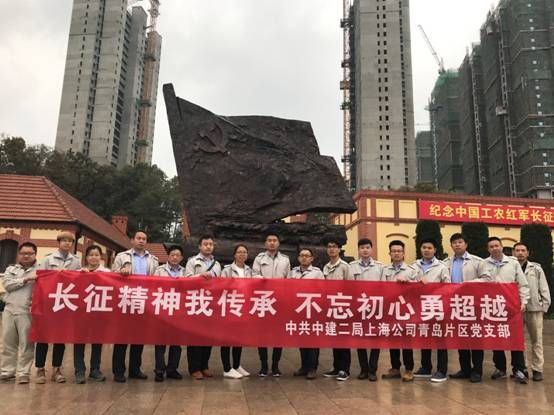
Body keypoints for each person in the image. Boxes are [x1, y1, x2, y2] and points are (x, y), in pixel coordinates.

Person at [443, 233, 491, 383]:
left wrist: (469, 284)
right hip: (455, 305)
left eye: (460, 242)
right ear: (451, 246)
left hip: (473, 305)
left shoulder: (477, 261)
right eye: (454, 242)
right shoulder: (445, 263)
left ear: (466, 244)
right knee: (461, 337)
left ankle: (477, 371)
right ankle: (465, 369)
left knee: (476, 338)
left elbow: (487, 279)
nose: (457, 245)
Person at [111, 230, 159, 383]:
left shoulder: (153, 259)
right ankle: (118, 371)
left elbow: (157, 279)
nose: (141, 241)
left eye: (144, 239)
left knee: (139, 337)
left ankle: (135, 369)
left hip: (143, 301)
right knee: (121, 338)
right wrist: (120, 272)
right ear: (132, 240)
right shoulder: (122, 256)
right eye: (138, 238)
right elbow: (112, 276)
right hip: (125, 300)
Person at [35, 231, 82, 384]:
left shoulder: (76, 261)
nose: (67, 243)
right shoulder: (48, 259)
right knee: (43, 337)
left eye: (70, 241)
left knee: (60, 338)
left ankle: (57, 369)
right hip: (48, 303)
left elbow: (79, 281)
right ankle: (40, 369)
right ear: (59, 242)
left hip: (64, 303)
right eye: (64, 240)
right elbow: (40, 279)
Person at [483, 237, 530, 384]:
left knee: (515, 338)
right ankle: (500, 368)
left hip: (511, 306)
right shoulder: (484, 264)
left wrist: (524, 301)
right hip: (492, 306)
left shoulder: (513, 263)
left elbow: (523, 284)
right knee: (496, 338)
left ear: (502, 247)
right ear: (488, 249)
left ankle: (519, 369)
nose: (494, 248)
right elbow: (480, 283)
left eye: (497, 245)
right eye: (491, 246)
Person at [252, 233, 290, 377]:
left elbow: (289, 279)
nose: (272, 243)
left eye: (274, 240)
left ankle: (275, 366)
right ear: (265, 243)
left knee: (278, 335)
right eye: (269, 240)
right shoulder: (259, 258)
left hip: (280, 301)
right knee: (261, 335)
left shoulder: (285, 259)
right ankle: (263, 366)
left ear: (278, 243)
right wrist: (265, 281)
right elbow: (254, 275)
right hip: (263, 301)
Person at [412, 238, 450, 383]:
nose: (426, 250)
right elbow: (409, 284)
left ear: (435, 250)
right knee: (424, 337)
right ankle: (426, 367)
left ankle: (442, 370)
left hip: (437, 307)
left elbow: (448, 287)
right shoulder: (414, 266)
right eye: (424, 247)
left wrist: (431, 288)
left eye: (429, 248)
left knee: (440, 339)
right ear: (420, 249)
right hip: (420, 307)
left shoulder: (441, 267)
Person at [185, 235, 222, 380]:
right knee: (194, 337)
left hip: (211, 303)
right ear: (199, 246)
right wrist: (200, 276)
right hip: (195, 302)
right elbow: (186, 279)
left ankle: (204, 366)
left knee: (208, 337)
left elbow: (221, 282)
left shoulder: (217, 264)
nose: (208, 246)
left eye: (211, 244)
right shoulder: (192, 261)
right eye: (205, 244)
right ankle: (194, 368)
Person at [380, 240, 418, 382]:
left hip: (406, 310)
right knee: (393, 339)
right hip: (391, 309)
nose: (396, 253)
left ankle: (409, 369)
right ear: (389, 253)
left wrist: (407, 284)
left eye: (399, 251)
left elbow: (418, 289)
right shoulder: (385, 270)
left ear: (403, 253)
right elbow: (381, 287)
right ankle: (395, 368)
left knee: (406, 340)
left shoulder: (411, 270)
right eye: (394, 251)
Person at [0, 242, 38, 384]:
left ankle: (24, 372)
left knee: (27, 344)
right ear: (18, 254)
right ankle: (7, 371)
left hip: (27, 311)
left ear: (35, 254)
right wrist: (25, 279)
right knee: (7, 343)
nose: (26, 256)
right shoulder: (11, 269)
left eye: (30, 253)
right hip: (9, 309)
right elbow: (7, 285)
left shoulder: (41, 270)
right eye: (23, 253)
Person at [513, 242, 551, 382]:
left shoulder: (536, 268)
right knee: (518, 341)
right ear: (513, 252)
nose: (520, 253)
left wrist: (544, 306)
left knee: (537, 340)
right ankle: (522, 368)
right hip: (516, 309)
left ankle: (537, 369)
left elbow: (544, 288)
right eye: (517, 250)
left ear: (528, 253)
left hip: (534, 308)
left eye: (523, 250)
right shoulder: (511, 267)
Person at [73, 245, 109, 384]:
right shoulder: (79, 272)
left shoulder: (107, 273)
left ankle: (95, 369)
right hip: (81, 313)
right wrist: (80, 276)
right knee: (79, 341)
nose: (94, 257)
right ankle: (79, 370)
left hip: (99, 313)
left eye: (96, 255)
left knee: (97, 342)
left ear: (101, 257)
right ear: (86, 257)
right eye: (91, 255)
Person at [349, 238, 383, 381]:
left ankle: (372, 370)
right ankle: (363, 369)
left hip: (375, 307)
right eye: (362, 247)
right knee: (360, 338)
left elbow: (384, 287)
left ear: (371, 249)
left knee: (376, 339)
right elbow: (349, 287)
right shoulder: (352, 266)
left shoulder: (380, 267)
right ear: (358, 250)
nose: (365, 250)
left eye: (367, 247)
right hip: (359, 307)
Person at [288, 248, 324, 380]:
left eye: (307, 256)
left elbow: (322, 290)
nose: (304, 258)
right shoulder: (293, 272)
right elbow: (287, 288)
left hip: (313, 310)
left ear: (311, 259)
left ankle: (312, 368)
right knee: (302, 339)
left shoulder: (317, 273)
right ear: (298, 258)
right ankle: (304, 367)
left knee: (313, 340)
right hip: (298, 310)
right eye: (302, 255)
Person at [153, 245, 186, 382]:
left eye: (177, 255)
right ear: (168, 256)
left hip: (179, 312)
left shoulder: (185, 272)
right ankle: (159, 370)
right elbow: (152, 287)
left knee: (176, 343)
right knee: (160, 343)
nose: (175, 257)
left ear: (181, 258)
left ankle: (172, 369)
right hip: (163, 309)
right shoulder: (159, 270)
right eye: (172, 255)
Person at [220, 244, 252, 379]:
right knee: (227, 339)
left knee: (239, 338)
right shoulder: (227, 270)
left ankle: (237, 365)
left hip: (243, 307)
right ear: (234, 255)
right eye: (239, 252)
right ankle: (227, 368)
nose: (242, 254)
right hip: (230, 306)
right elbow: (221, 286)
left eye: (244, 252)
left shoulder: (249, 270)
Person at [322, 239, 352, 381]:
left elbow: (351, 287)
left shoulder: (345, 267)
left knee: (343, 339)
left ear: (339, 249)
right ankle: (336, 367)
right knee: (334, 337)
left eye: (334, 247)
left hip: (343, 306)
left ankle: (345, 369)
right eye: (329, 247)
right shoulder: (326, 267)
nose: (332, 249)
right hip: (330, 307)